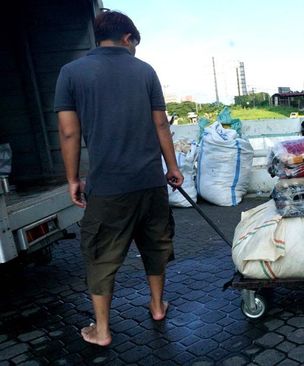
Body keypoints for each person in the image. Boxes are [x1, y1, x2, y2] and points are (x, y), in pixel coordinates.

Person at [54, 10, 183, 346]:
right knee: (155, 245)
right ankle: (157, 306)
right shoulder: (145, 72)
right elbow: (160, 124)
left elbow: (69, 133)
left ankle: (102, 330)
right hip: (151, 183)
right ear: (128, 39)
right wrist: (172, 167)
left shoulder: (71, 73)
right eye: (135, 44)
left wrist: (72, 179)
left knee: (100, 255)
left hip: (108, 188)